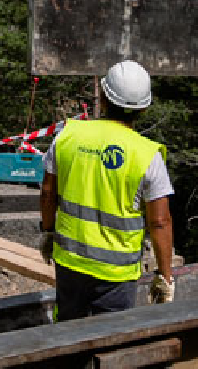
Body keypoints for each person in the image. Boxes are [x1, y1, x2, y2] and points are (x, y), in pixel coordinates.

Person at [39, 60, 176, 319]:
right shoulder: (147, 155)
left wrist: (47, 232)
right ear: (144, 108)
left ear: (102, 98)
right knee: (111, 340)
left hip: (71, 261)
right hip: (118, 271)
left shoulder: (69, 135)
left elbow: (48, 194)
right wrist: (165, 276)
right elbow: (160, 222)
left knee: (66, 334)